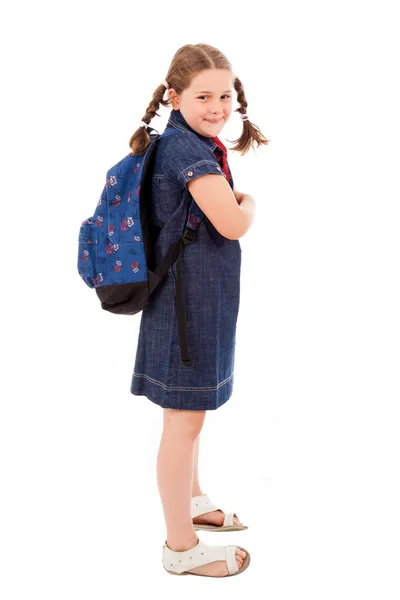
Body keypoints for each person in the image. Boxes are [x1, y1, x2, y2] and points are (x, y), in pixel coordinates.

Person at [128, 43, 268, 577]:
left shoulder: (194, 143)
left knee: (188, 416)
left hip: (197, 301)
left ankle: (191, 501)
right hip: (184, 309)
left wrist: (236, 204)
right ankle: (180, 549)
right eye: (202, 96)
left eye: (224, 95)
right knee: (184, 420)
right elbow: (232, 222)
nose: (216, 106)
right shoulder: (187, 150)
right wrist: (249, 203)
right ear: (174, 97)